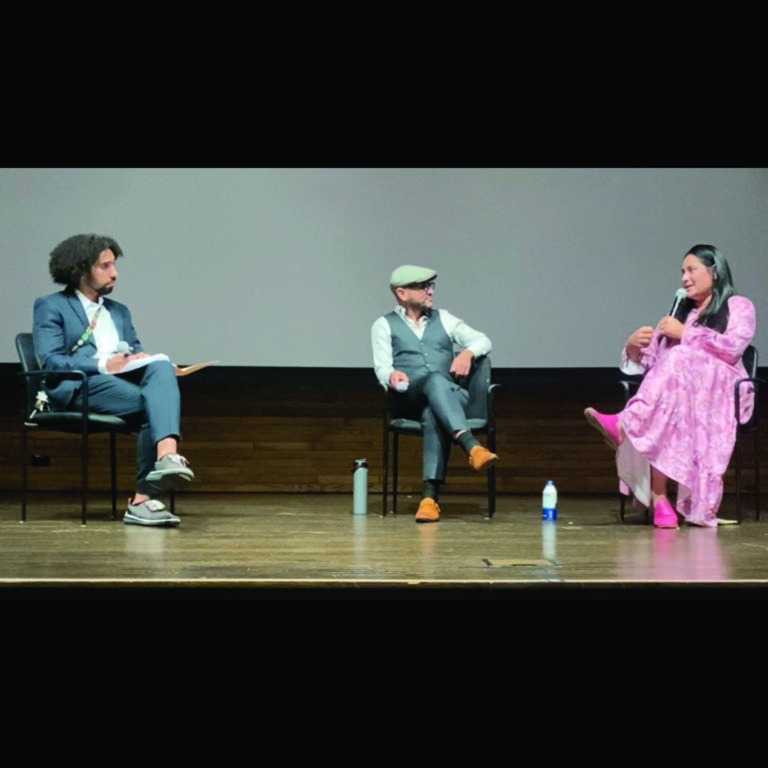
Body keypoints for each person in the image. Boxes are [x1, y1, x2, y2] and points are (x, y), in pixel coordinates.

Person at [584, 244, 756, 529]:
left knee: (675, 364)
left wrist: (685, 335)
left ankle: (626, 426)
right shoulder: (680, 314)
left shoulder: (738, 306)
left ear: (714, 271)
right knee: (666, 400)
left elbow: (734, 348)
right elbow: (654, 365)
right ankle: (660, 498)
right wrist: (633, 346)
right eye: (682, 272)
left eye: (691, 270)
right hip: (681, 394)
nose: (684, 278)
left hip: (722, 391)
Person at [32, 233, 194, 527]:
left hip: (119, 385)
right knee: (153, 406)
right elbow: (51, 361)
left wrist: (141, 359)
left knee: (159, 367)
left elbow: (133, 349)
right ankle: (144, 500)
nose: (114, 273)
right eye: (105, 266)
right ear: (81, 270)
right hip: (79, 385)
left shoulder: (118, 311)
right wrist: (103, 364)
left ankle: (167, 457)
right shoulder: (52, 306)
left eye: (114, 265)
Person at [371, 265, 498, 523]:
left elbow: (483, 339)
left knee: (434, 409)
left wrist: (467, 353)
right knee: (431, 384)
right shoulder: (383, 325)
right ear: (402, 293)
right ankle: (471, 446)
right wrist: (391, 376)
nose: (430, 291)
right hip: (410, 399)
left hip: (452, 398)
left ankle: (429, 499)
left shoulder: (445, 318)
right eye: (423, 286)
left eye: (432, 285)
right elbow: (382, 367)